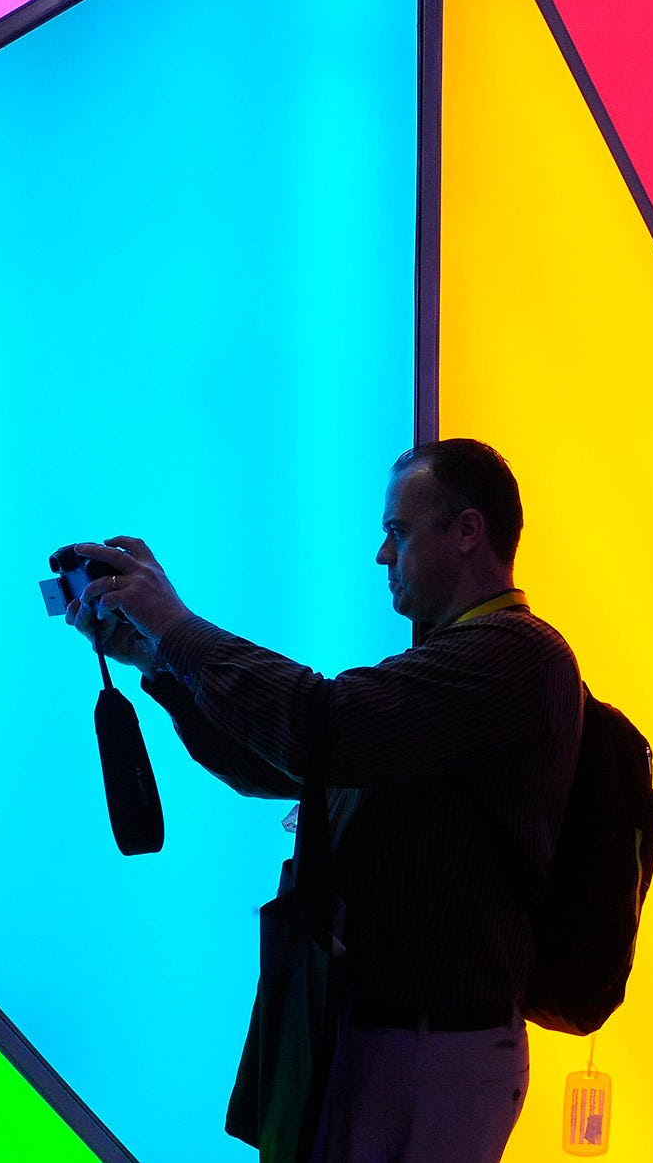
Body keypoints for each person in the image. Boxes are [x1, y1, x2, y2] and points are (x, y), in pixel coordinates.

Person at [67, 438, 582, 1163]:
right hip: (383, 1040)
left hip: (433, 1051)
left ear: (467, 532)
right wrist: (155, 656)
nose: (381, 555)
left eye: (398, 532)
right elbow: (277, 764)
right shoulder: (446, 662)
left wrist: (176, 627)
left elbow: (321, 727)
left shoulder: (514, 656)